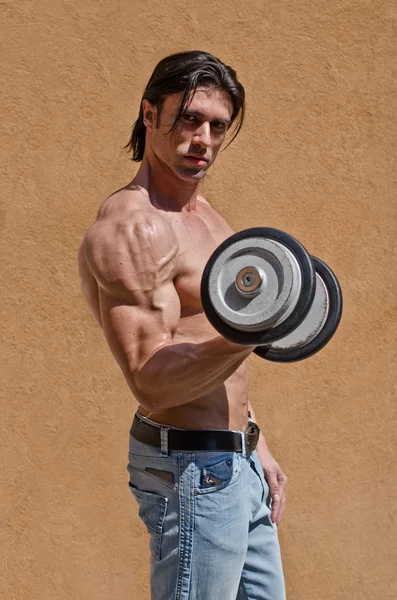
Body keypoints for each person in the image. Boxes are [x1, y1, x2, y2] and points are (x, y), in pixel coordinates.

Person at [78, 51, 287, 600]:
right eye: (189, 119)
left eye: (218, 126)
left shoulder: (208, 218)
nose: (204, 139)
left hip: (233, 459)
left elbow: (205, 341)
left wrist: (254, 439)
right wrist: (250, 332)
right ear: (149, 114)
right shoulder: (134, 231)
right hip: (191, 468)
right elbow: (151, 378)